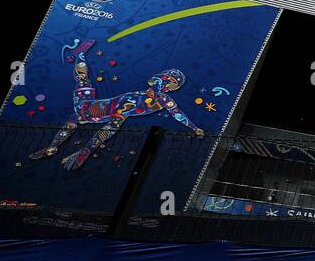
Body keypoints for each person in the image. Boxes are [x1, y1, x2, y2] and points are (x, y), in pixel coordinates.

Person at [29, 38, 205, 171]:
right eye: (166, 76)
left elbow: (177, 113)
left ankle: (64, 147)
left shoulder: (164, 100)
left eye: (171, 81)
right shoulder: (138, 97)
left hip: (103, 113)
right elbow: (115, 122)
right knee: (83, 86)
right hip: (89, 108)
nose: (166, 80)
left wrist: (194, 127)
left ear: (173, 87)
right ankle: (79, 55)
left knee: (91, 115)